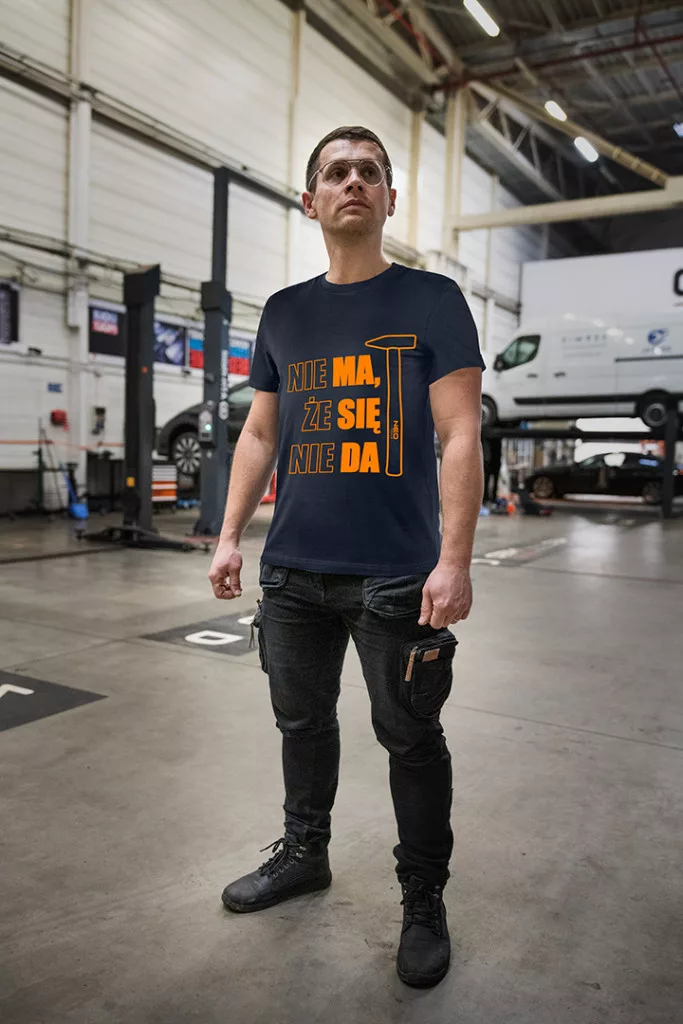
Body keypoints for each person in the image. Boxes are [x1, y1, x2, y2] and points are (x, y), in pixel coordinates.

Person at [208, 125, 484, 989]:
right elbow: (260, 434)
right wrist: (228, 535)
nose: (353, 181)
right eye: (336, 172)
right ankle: (305, 853)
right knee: (301, 724)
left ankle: (422, 898)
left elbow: (459, 433)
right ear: (311, 200)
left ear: (390, 199)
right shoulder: (283, 312)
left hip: (396, 574)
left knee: (409, 735)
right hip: (293, 570)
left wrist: (454, 559)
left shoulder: (432, 300)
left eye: (369, 171)